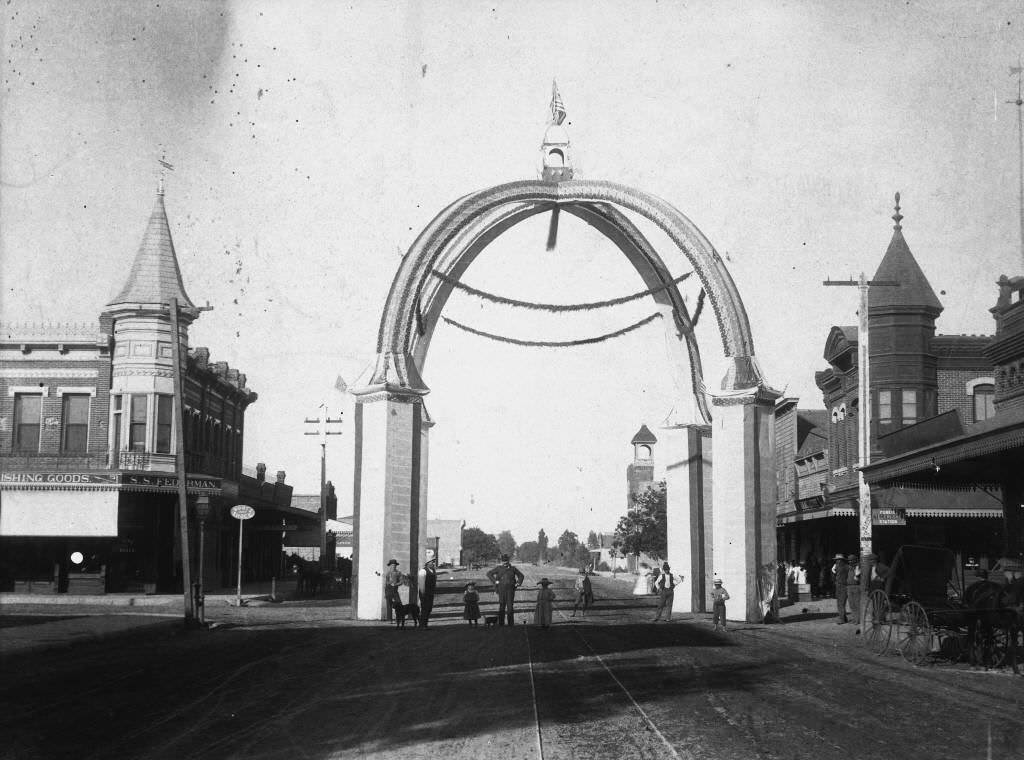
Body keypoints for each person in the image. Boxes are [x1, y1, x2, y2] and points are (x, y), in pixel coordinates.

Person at [487, 554, 524, 626]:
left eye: (506, 561)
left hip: (511, 590)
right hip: (501, 590)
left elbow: (521, 576)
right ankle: (501, 623)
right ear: (501, 561)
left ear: (508, 561)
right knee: (502, 606)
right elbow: (489, 574)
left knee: (510, 606)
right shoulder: (498, 568)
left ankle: (511, 624)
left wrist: (518, 583)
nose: (505, 563)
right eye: (503, 561)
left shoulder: (513, 568)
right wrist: (495, 581)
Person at [417, 557, 438, 628]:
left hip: (430, 592)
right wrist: (423, 594)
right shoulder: (423, 571)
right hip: (425, 593)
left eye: (434, 562)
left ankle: (425, 624)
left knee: (429, 608)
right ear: (427, 563)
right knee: (424, 608)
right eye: (432, 562)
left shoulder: (433, 571)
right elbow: (421, 583)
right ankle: (422, 625)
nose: (433, 563)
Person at [832, 553, 849, 624]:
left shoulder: (845, 567)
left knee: (841, 603)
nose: (837, 561)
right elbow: (834, 577)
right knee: (840, 603)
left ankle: (842, 619)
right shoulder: (839, 567)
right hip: (838, 585)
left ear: (841, 560)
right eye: (836, 560)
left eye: (838, 560)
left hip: (843, 586)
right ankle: (844, 618)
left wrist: (833, 570)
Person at [846, 554, 862, 627]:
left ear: (855, 560)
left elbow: (858, 575)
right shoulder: (849, 567)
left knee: (856, 603)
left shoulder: (858, 566)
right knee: (851, 604)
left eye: (852, 560)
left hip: (856, 586)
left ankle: (857, 619)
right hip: (849, 587)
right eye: (849, 560)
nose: (850, 561)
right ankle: (854, 618)